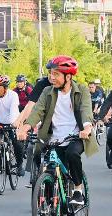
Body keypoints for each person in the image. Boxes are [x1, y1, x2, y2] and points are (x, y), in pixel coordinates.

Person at [18, 55, 98, 205]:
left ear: (68, 77)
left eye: (56, 74)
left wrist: (87, 128)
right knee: (43, 161)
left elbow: (86, 110)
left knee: (72, 154)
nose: (51, 77)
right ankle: (49, 200)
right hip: (52, 137)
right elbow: (37, 111)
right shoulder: (48, 91)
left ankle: (78, 190)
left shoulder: (81, 90)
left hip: (75, 136)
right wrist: (25, 127)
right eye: (50, 73)